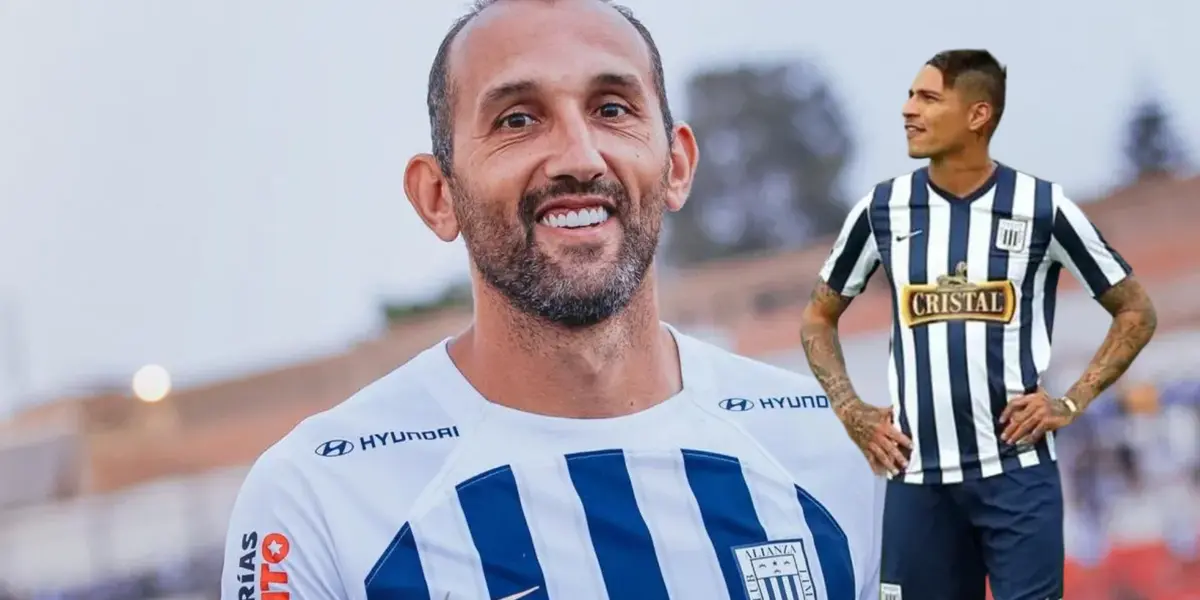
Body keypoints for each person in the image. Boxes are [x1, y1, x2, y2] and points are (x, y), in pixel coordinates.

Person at [219, 1, 884, 599]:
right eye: (517, 119)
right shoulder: (319, 497)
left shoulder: (836, 450)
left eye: (613, 109)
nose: (579, 156)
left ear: (677, 165)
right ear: (437, 196)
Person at [799, 49, 1158, 600]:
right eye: (909, 95)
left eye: (927, 97)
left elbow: (1136, 310)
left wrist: (1070, 402)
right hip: (917, 482)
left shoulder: (1041, 206)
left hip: (1017, 476)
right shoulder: (883, 209)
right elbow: (818, 319)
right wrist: (853, 411)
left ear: (977, 115)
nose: (907, 110)